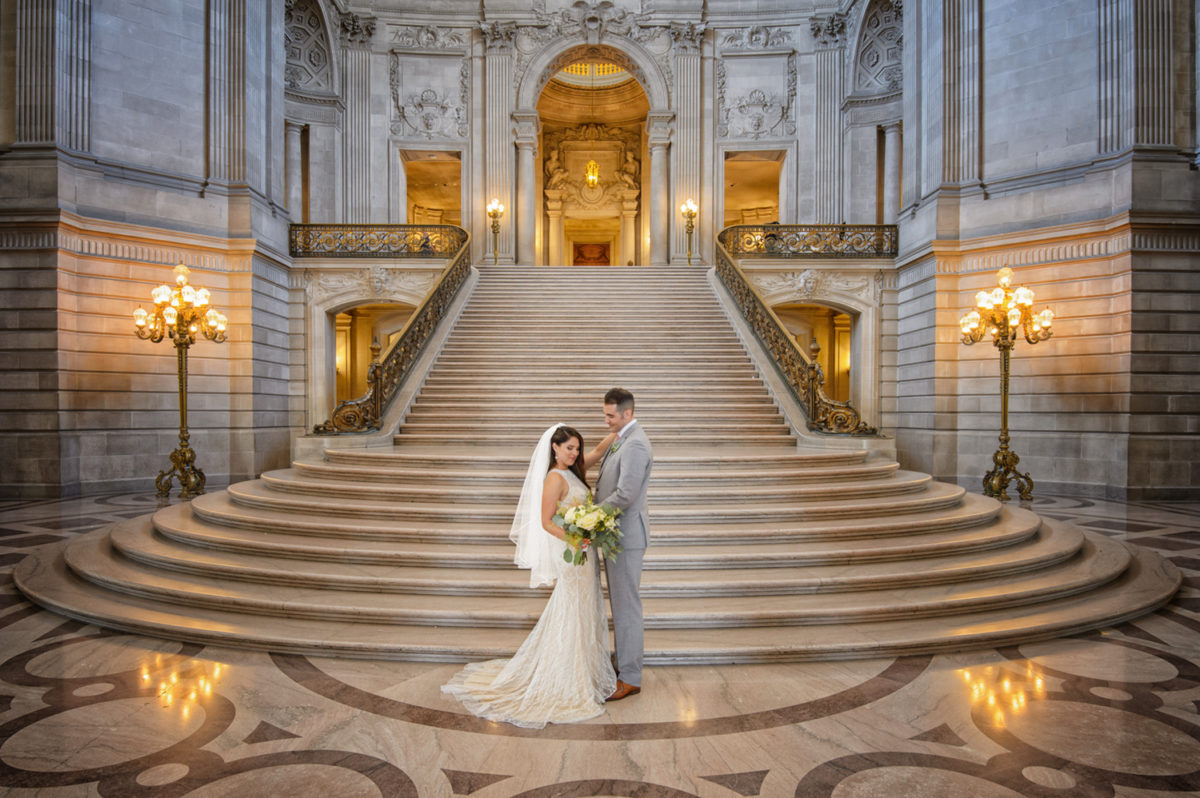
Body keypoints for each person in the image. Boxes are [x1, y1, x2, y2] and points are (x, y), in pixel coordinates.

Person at [441, 424, 618, 728]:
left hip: (585, 555)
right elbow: (546, 521)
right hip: (574, 554)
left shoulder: (574, 469)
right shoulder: (554, 478)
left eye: (577, 448)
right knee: (572, 610)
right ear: (555, 448)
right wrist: (575, 538)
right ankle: (567, 676)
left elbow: (599, 452)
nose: (575, 453)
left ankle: (582, 670)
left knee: (586, 609)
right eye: (569, 448)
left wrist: (620, 429)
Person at [593, 387, 653, 701]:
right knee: (621, 606)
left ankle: (630, 677)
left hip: (626, 537)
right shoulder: (623, 438)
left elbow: (626, 494)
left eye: (610, 415)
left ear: (626, 413)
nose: (606, 421)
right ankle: (623, 663)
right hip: (617, 536)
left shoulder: (636, 443)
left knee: (627, 609)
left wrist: (591, 516)